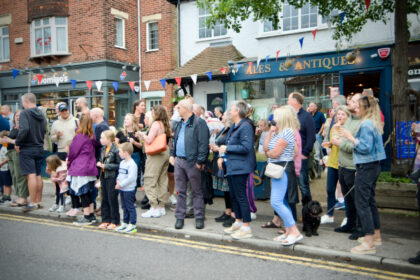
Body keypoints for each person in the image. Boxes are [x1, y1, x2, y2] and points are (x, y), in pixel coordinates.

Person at [341, 95, 386, 254]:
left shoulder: (366, 124)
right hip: (373, 165)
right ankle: (376, 235)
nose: (356, 109)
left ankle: (369, 242)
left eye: (358, 107)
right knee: (370, 201)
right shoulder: (373, 123)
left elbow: (365, 147)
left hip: (366, 166)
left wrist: (350, 138)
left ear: (365, 108)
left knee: (362, 203)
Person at [264, 105, 303, 245]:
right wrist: (270, 133)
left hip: (282, 170)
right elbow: (265, 147)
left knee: (276, 202)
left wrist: (269, 153)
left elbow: (273, 153)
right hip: (277, 169)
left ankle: (295, 231)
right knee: (283, 202)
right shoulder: (280, 132)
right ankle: (288, 231)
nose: (273, 119)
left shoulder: (287, 132)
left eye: (276, 116)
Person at [169, 99, 209, 230]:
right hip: (179, 161)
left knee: (197, 191)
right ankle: (179, 217)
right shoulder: (179, 123)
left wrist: (199, 162)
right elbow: (174, 141)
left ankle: (199, 217)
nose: (177, 109)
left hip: (192, 162)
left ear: (186, 108)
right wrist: (172, 155)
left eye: (179, 107)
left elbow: (203, 144)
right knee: (180, 191)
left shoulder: (199, 122)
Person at [219, 101, 256, 240]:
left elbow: (246, 147)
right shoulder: (235, 125)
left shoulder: (245, 126)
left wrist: (227, 149)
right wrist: (222, 153)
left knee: (241, 197)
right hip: (233, 166)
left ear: (238, 112)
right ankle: (238, 222)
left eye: (231, 110)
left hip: (241, 167)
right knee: (234, 196)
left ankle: (246, 227)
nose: (229, 112)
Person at [334, 93, 362, 238]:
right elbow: (345, 139)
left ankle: (359, 228)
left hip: (352, 167)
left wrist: (340, 144)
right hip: (342, 166)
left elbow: (354, 145)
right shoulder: (350, 120)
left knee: (356, 200)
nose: (348, 102)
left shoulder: (360, 123)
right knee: (348, 199)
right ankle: (350, 224)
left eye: (351, 101)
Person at [15, 93, 47, 212]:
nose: (23, 105)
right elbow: (44, 130)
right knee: (38, 175)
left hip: (27, 147)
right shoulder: (41, 114)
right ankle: (38, 202)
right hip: (39, 146)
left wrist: (18, 142)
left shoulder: (25, 113)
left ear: (26, 101)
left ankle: (32, 203)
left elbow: (24, 129)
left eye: (23, 102)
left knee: (31, 175)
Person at [138, 105, 171, 218]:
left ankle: (154, 207)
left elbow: (149, 140)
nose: (151, 113)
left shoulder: (156, 124)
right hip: (165, 152)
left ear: (156, 113)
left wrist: (142, 135)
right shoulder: (166, 124)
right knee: (162, 180)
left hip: (156, 154)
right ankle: (161, 206)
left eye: (152, 111)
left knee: (149, 179)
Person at [320, 106, 350, 224]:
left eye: (343, 114)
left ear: (348, 116)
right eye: (338, 114)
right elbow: (334, 143)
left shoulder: (348, 129)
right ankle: (329, 214)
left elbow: (348, 145)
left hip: (344, 163)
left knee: (346, 192)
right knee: (330, 190)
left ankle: (348, 217)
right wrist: (329, 144)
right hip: (333, 162)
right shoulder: (334, 127)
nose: (340, 116)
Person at [69, 115, 98, 226]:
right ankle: (91, 215)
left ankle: (86, 216)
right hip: (90, 167)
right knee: (88, 192)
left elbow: (73, 152)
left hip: (80, 167)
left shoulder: (79, 136)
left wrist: (69, 164)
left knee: (83, 192)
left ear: (80, 123)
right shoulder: (92, 136)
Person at [287, 92, 315, 201]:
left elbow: (311, 137)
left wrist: (305, 153)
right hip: (289, 157)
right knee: (290, 185)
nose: (287, 102)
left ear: (295, 101)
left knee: (303, 186)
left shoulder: (306, 117)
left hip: (301, 157)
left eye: (289, 99)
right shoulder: (289, 116)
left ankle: (308, 214)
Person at [211, 112, 234, 227]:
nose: (222, 117)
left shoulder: (231, 129)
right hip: (219, 161)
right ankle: (227, 211)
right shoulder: (223, 129)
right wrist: (215, 148)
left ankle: (233, 214)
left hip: (226, 163)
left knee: (229, 189)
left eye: (224, 115)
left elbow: (228, 146)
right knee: (225, 190)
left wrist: (218, 148)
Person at [1, 110, 29, 207]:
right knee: (14, 176)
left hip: (18, 153)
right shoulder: (14, 128)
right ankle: (18, 196)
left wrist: (9, 140)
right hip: (10, 153)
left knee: (20, 176)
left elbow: (21, 141)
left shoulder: (24, 128)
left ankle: (23, 197)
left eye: (20, 116)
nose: (18, 117)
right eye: (16, 115)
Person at [97, 130, 121, 230]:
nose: (100, 140)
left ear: (109, 139)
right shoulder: (103, 149)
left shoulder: (115, 150)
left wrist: (105, 166)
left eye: (102, 138)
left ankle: (115, 221)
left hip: (112, 177)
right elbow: (101, 159)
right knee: (104, 199)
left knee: (112, 199)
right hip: (104, 176)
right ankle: (105, 220)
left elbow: (119, 165)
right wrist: (100, 163)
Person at [115, 142, 138, 234]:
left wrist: (121, 184)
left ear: (126, 152)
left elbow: (131, 178)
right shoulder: (122, 163)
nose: (119, 153)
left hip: (128, 189)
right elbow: (120, 174)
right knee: (124, 206)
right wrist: (117, 181)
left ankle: (132, 224)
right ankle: (125, 222)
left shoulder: (132, 164)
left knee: (130, 207)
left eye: (120, 151)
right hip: (122, 188)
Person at [116, 114, 142, 188]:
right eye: (125, 119)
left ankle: (132, 192)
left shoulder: (137, 133)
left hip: (135, 155)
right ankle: (123, 189)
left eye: (127, 119)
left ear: (132, 121)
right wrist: (122, 147)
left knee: (134, 175)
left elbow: (142, 146)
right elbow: (115, 144)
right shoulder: (120, 133)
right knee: (123, 174)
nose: (125, 120)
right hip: (123, 155)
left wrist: (134, 142)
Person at [0, 135, 12, 203]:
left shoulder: (7, 147)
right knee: (3, 182)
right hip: (2, 168)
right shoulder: (3, 146)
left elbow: (7, 157)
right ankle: (5, 195)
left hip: (6, 168)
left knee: (7, 183)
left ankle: (7, 196)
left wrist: (1, 163)